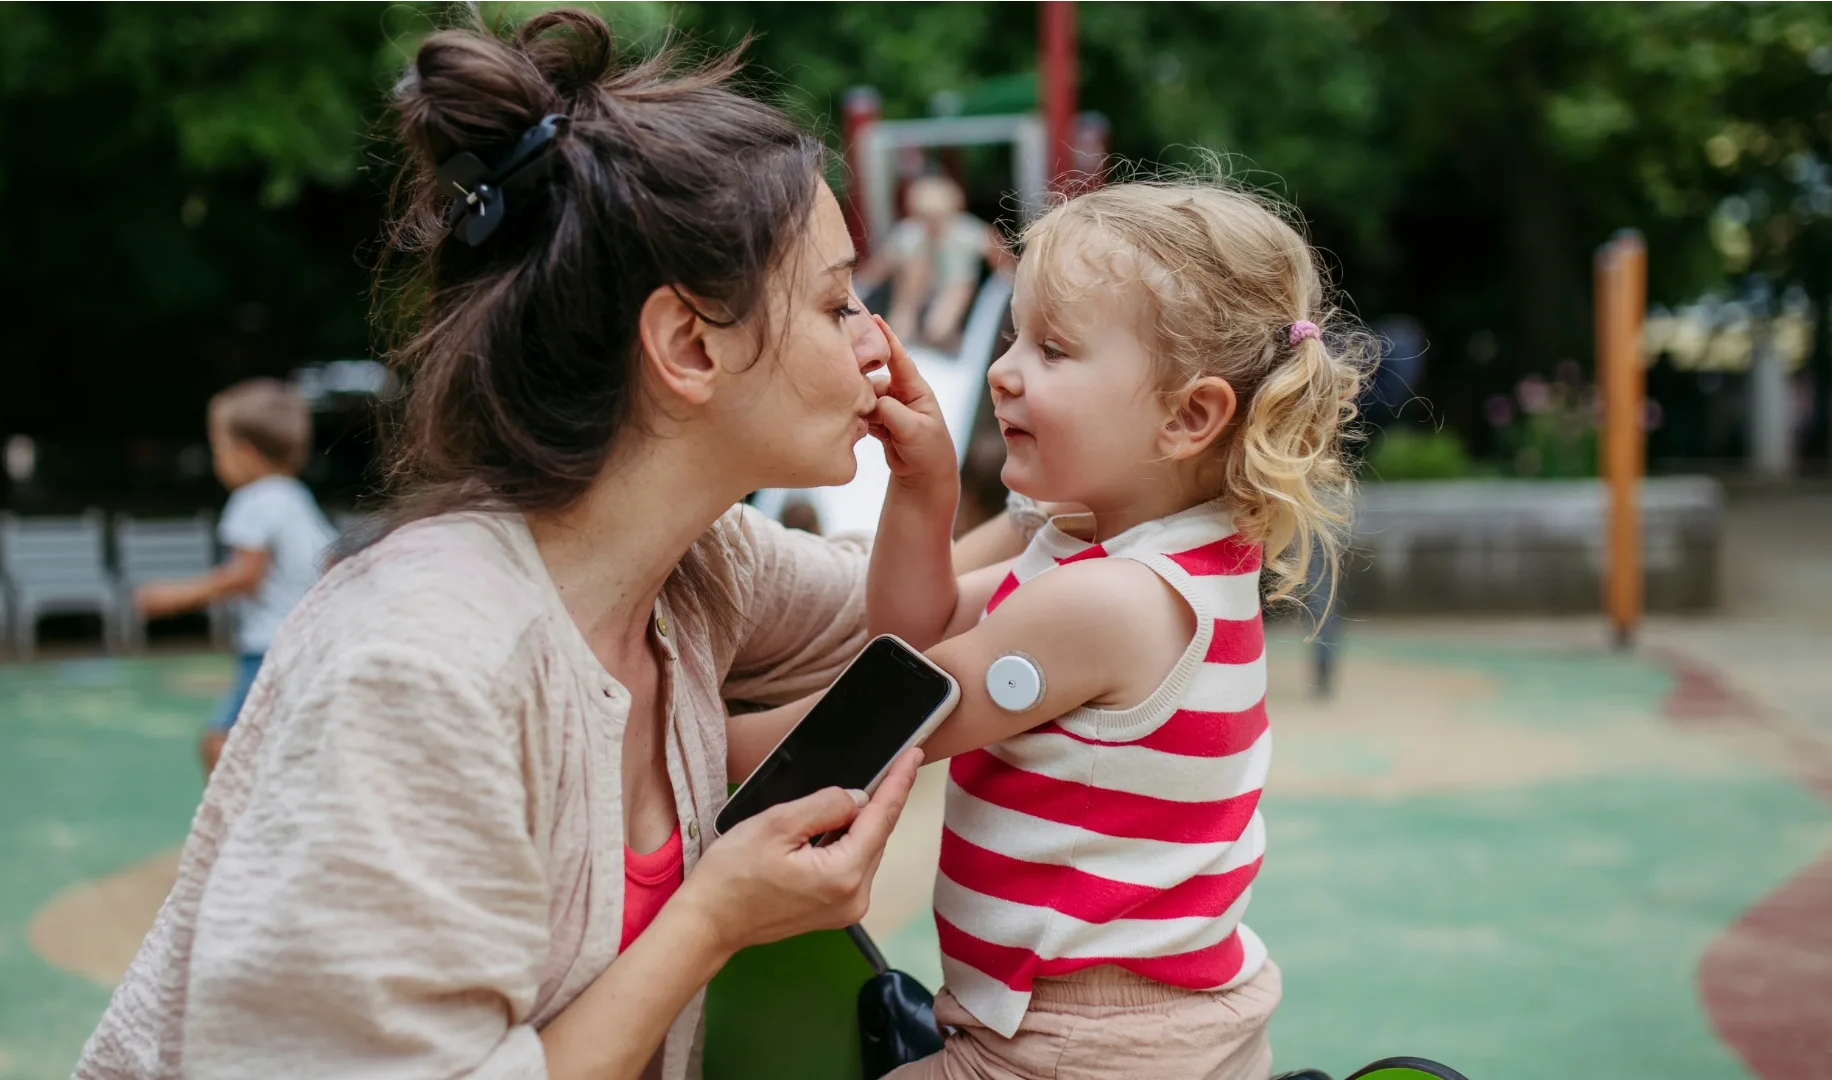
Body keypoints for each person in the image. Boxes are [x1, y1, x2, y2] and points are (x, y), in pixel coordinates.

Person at [72, 11, 979, 1079]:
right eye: (836, 303)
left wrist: (1082, 487)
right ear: (689, 346)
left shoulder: (694, 568)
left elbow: (937, 610)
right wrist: (713, 918)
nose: (877, 340)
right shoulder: (419, 671)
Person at [865, 180, 1374, 1078]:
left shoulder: (1113, 601)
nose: (1004, 370)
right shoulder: (1142, 542)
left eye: (1053, 349)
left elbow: (876, 725)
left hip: (1080, 1044)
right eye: (1015, 336)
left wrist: (684, 745)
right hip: (1137, 1021)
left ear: (1188, 417)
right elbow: (917, 636)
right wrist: (921, 491)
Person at [133, 378, 337, 775]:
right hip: (308, 641)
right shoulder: (297, 498)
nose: (217, 461)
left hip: (267, 647)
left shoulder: (253, 500)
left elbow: (245, 574)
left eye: (218, 449)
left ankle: (234, 814)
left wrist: (175, 596)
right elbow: (329, 562)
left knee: (220, 741)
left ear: (244, 452)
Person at [857, 175, 996, 351]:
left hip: (956, 285)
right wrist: (857, 287)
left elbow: (1001, 259)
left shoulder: (967, 231)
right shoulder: (909, 234)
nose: (931, 224)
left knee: (938, 326)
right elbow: (878, 269)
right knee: (914, 267)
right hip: (915, 289)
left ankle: (945, 340)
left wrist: (999, 290)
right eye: (925, 217)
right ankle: (907, 325)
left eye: (937, 217)